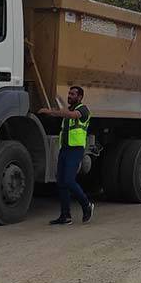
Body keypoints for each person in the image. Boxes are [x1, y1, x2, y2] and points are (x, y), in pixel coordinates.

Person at [38, 86, 95, 225]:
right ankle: (65, 216)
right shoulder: (68, 110)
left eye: (73, 94)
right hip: (65, 149)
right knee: (61, 182)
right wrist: (47, 112)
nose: (69, 96)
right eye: (69, 93)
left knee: (69, 180)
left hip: (76, 150)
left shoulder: (83, 109)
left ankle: (86, 204)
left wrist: (53, 111)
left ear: (80, 97)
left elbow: (72, 115)